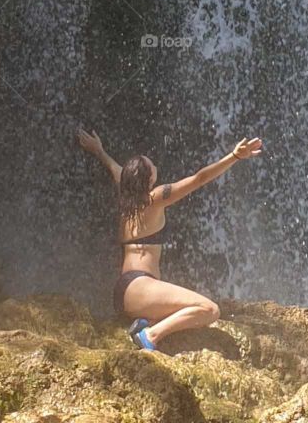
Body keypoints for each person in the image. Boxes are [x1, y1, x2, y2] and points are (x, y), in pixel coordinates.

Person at [77, 125, 262, 351]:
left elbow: (115, 169)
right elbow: (199, 178)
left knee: (182, 307)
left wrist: (99, 150)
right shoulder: (154, 198)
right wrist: (234, 156)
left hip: (125, 292)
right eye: (151, 164)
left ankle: (146, 322)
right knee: (210, 310)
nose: (155, 164)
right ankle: (150, 335)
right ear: (148, 179)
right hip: (139, 286)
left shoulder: (127, 196)